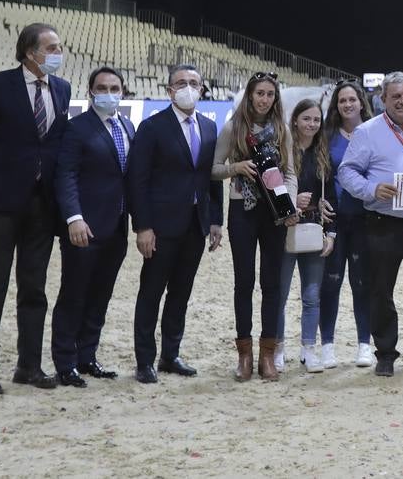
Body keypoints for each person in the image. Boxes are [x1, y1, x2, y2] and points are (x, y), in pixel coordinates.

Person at [0, 23, 71, 394]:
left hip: (42, 205)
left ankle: (29, 366)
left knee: (34, 287)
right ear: (30, 52)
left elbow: (55, 144)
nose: (58, 52)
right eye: (51, 47)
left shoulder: (62, 88)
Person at [337, 71, 403, 377]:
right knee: (380, 290)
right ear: (383, 98)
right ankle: (385, 353)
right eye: (395, 96)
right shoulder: (367, 131)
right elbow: (346, 172)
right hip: (381, 222)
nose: (402, 101)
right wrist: (372, 190)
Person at [127, 64, 222, 385]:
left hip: (196, 226)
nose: (187, 87)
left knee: (180, 293)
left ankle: (170, 354)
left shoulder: (210, 129)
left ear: (202, 89)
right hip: (160, 227)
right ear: (169, 90)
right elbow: (137, 181)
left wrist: (216, 221)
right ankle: (144, 360)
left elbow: (212, 179)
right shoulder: (152, 127)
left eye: (194, 83)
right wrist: (143, 226)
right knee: (151, 292)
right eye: (181, 83)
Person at [51, 66, 133, 387]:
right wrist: (74, 217)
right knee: (73, 295)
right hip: (83, 228)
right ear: (91, 91)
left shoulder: (127, 126)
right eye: (102, 87)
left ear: (122, 92)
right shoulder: (77, 129)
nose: (108, 93)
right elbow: (66, 175)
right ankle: (65, 362)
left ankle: (87, 356)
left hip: (116, 229)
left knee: (100, 295)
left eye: (114, 88)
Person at [213, 72, 296, 382]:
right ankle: (244, 354)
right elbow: (213, 169)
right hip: (242, 210)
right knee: (244, 282)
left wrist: (289, 206)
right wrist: (236, 167)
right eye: (259, 93)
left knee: (272, 283)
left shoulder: (282, 130)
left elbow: (289, 172)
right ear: (249, 96)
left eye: (269, 94)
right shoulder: (233, 128)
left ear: (275, 99)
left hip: (274, 213)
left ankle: (267, 354)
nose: (264, 99)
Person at [317, 80, 375, 368]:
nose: (348, 104)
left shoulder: (375, 131)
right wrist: (318, 202)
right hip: (336, 219)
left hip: (366, 218)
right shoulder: (327, 136)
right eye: (342, 101)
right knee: (331, 282)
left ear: (361, 102)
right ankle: (327, 344)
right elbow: (318, 176)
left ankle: (365, 343)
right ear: (336, 105)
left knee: (362, 283)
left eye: (352, 99)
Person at [277, 98, 337, 373]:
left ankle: (308, 350)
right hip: (287, 229)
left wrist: (331, 233)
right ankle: (277, 348)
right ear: (295, 120)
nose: (312, 124)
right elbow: (273, 188)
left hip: (314, 230)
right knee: (280, 294)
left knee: (312, 295)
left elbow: (331, 196)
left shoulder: (323, 153)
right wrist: (292, 200)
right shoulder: (283, 152)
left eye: (316, 120)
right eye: (306, 119)